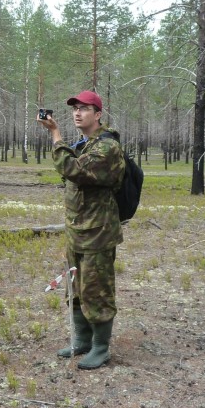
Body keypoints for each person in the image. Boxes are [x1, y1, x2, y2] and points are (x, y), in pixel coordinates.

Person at [37, 90, 125, 369]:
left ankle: (101, 347)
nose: (78, 112)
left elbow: (71, 170)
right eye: (75, 108)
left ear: (98, 115)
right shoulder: (86, 144)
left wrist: (55, 135)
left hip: (98, 234)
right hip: (77, 232)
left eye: (85, 108)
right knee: (75, 288)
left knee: (97, 290)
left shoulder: (107, 148)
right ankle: (82, 340)